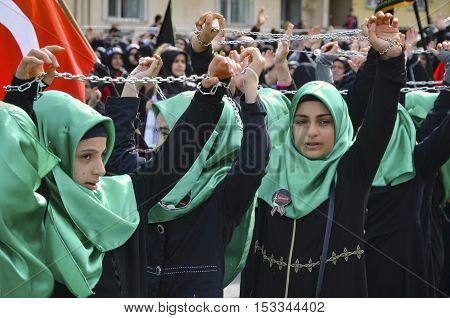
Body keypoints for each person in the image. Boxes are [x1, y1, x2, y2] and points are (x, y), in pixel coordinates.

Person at [240, 12, 406, 297]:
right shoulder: (273, 168)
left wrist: (389, 59)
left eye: (324, 121)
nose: (312, 132)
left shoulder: (351, 173)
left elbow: (381, 117)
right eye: (302, 121)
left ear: (341, 125)